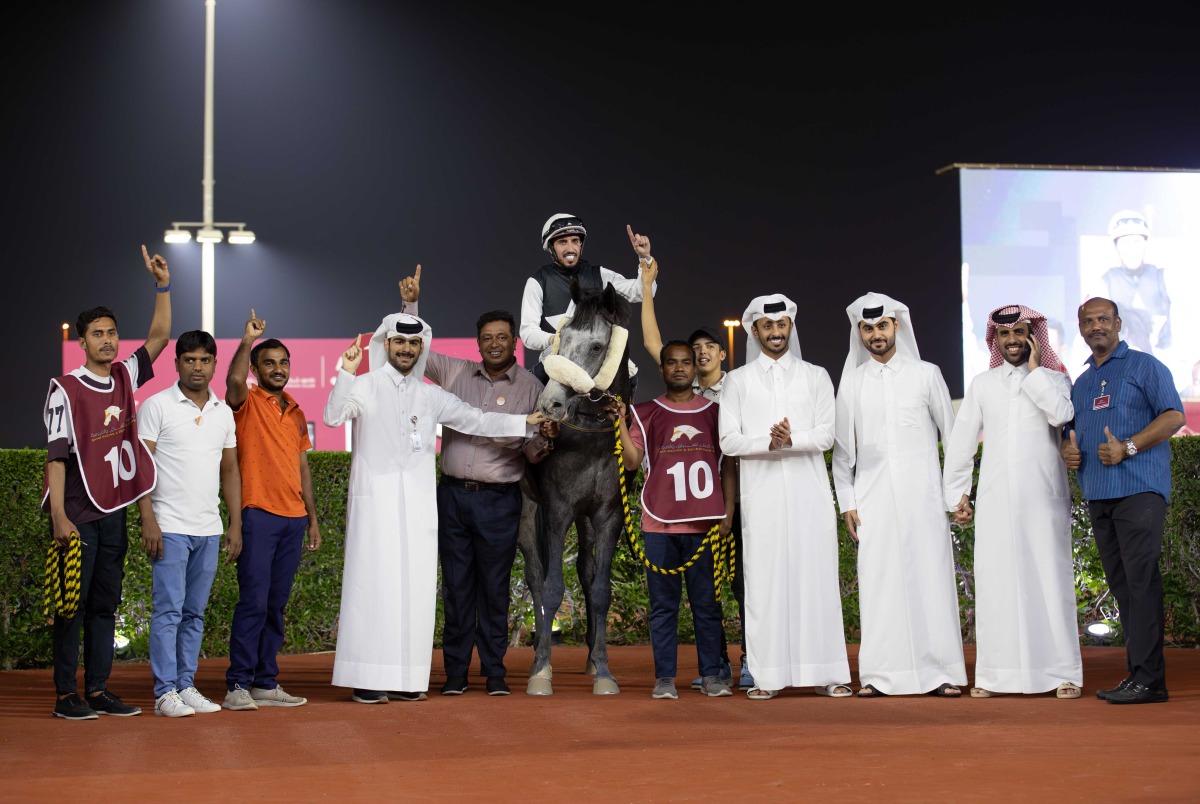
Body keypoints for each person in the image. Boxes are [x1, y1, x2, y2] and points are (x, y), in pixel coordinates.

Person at [323, 312, 547, 704]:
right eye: (399, 343)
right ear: (387, 345)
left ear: (420, 349)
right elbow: (331, 416)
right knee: (375, 588)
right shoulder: (365, 385)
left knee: (416, 591)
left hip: (421, 509)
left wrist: (524, 422)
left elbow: (478, 420)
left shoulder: (431, 396)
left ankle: (408, 678)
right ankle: (367, 678)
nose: (407, 349)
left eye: (414, 344)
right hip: (376, 510)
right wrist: (346, 372)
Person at [397, 265, 556, 696]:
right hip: (450, 497)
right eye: (486, 338)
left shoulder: (529, 387)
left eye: (502, 337)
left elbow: (531, 450)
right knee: (456, 588)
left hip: (499, 500)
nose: (494, 344)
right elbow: (416, 351)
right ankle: (454, 674)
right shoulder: (454, 372)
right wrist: (411, 305)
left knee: (494, 589)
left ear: (514, 341)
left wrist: (543, 443)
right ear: (478, 342)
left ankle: (495, 673)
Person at [42, 245, 171, 720]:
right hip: (76, 514)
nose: (108, 341)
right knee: (69, 608)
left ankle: (96, 690)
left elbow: (159, 337)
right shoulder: (65, 388)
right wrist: (58, 516)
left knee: (104, 608)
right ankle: (63, 695)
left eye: (112, 333)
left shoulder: (123, 375)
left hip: (112, 512)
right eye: (97, 334)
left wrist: (162, 285)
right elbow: (56, 458)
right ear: (82, 341)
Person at [942, 304, 1083, 699]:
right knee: (996, 585)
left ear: (1033, 336)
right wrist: (958, 496)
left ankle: (1061, 674)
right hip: (996, 501)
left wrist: (1037, 371)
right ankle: (995, 675)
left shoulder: (1054, 379)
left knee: (1050, 584)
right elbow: (962, 444)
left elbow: (1060, 415)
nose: (1012, 341)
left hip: (1045, 500)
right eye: (1004, 335)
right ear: (995, 339)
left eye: (1020, 333)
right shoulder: (983, 384)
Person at [717, 294, 852, 701]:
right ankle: (767, 676)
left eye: (782, 326)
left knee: (817, 581)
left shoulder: (816, 376)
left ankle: (827, 672)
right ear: (754, 331)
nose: (775, 333)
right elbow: (728, 439)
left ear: (791, 327)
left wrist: (791, 440)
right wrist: (770, 443)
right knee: (765, 583)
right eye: (767, 327)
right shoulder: (737, 381)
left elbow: (828, 434)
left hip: (810, 495)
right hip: (761, 500)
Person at [832, 292, 965, 698]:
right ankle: (878, 675)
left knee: (932, 579)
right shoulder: (852, 381)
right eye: (868, 328)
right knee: (879, 583)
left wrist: (955, 494)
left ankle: (942, 673)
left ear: (897, 327)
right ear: (860, 332)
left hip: (924, 498)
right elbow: (841, 451)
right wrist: (848, 501)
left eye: (882, 326)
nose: (876, 334)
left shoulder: (927, 373)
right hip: (872, 502)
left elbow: (954, 438)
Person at [1061, 297, 1184, 704]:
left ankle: (1150, 680)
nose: (1096, 326)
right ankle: (1139, 675)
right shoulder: (1080, 383)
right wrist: (1068, 451)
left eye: (1103, 319)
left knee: (1140, 581)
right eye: (1088, 321)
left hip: (1139, 490)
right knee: (1123, 586)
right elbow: (1073, 435)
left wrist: (1128, 447)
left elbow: (1173, 416)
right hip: (1099, 495)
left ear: (1117, 323)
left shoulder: (1145, 366)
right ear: (1080, 328)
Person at [639, 261, 749, 689]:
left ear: (722, 353)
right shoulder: (683, 395)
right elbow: (653, 340)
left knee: (733, 592)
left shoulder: (736, 391)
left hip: (726, 505)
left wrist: (729, 509)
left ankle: (750, 662)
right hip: (688, 511)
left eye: (708, 348)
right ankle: (715, 667)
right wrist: (647, 286)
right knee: (702, 597)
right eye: (692, 350)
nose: (699, 355)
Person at [615, 341, 735, 699]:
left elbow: (728, 464)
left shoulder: (716, 412)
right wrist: (620, 424)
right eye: (672, 363)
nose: (680, 368)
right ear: (663, 369)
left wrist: (728, 510)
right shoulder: (646, 412)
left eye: (686, 362)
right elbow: (633, 462)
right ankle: (664, 678)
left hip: (703, 525)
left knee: (707, 604)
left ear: (695, 368)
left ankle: (711, 674)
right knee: (663, 607)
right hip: (659, 525)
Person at [136, 330, 241, 717]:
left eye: (205, 360)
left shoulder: (223, 412)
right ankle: (165, 692)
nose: (198, 366)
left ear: (215, 363)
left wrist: (235, 524)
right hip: (169, 526)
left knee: (194, 613)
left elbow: (230, 470)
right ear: (177, 362)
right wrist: (148, 519)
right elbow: (141, 470)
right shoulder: (156, 405)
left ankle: (185, 683)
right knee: (169, 611)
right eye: (190, 359)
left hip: (209, 529)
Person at [223, 310, 322, 711]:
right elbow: (231, 382)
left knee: (275, 604)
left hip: (293, 519)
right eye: (269, 363)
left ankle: (265, 681)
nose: (278, 369)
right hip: (258, 514)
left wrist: (312, 518)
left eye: (283, 363)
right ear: (256, 368)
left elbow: (302, 468)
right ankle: (236, 686)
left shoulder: (296, 411)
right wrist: (247, 341)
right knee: (253, 601)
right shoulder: (246, 401)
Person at [519, 216, 656, 382]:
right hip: (557, 356)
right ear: (550, 248)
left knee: (630, 373)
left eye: (575, 241)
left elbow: (641, 292)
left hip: (596, 356)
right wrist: (555, 339)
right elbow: (527, 333)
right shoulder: (538, 280)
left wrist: (644, 258)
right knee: (533, 382)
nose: (570, 248)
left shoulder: (599, 274)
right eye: (563, 242)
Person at [1100, 210, 1170, 354]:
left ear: (1145, 244)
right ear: (1116, 246)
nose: (1132, 248)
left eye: (1137, 241)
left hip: (1163, 357)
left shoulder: (1162, 277)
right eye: (1125, 242)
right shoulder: (1105, 283)